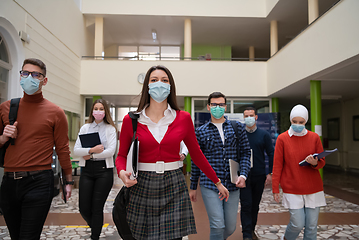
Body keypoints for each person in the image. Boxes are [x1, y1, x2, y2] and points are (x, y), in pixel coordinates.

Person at [116, 65, 229, 240]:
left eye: (164, 80)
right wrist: (122, 172)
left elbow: (197, 154)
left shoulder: (182, 118)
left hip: (173, 183)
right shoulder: (131, 120)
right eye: (154, 80)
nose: (159, 84)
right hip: (142, 185)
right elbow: (122, 155)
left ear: (170, 86)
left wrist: (217, 182)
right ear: (147, 86)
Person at [0, 58, 73, 240]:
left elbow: (63, 148)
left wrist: (68, 180)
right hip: (9, 182)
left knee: (29, 237)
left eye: (35, 74)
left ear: (44, 80)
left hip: (38, 181)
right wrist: (3, 137)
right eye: (25, 73)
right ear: (20, 76)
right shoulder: (6, 108)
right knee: (15, 235)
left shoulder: (55, 112)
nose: (29, 78)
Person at [190, 92, 251, 240]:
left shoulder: (237, 128)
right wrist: (193, 187)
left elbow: (245, 153)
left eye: (221, 104)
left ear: (225, 106)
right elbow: (197, 161)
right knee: (217, 225)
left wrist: (243, 175)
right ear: (208, 107)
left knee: (230, 227)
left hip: (232, 184)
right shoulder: (201, 131)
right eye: (214, 104)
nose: (218, 107)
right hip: (209, 184)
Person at [272, 104, 326, 240]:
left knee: (312, 227)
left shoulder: (314, 138)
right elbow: (277, 165)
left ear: (306, 121)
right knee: (297, 223)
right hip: (291, 188)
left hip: (313, 188)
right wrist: (275, 188)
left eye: (301, 122)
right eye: (294, 121)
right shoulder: (282, 138)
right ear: (290, 120)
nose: (297, 124)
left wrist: (314, 162)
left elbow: (322, 161)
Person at [74, 99, 117, 240]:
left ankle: (95, 236)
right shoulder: (85, 128)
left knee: (97, 207)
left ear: (106, 112)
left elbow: (110, 151)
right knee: (84, 208)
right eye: (96, 108)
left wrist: (89, 153)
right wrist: (92, 150)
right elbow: (76, 150)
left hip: (104, 170)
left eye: (101, 109)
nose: (98, 111)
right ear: (92, 111)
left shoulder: (110, 129)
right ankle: (95, 226)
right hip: (87, 170)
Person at [240, 106, 274, 240]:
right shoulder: (240, 134)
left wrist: (270, 173)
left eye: (251, 115)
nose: (249, 118)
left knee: (255, 205)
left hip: (259, 175)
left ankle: (252, 229)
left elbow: (271, 153)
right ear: (243, 118)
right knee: (246, 205)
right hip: (244, 175)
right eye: (246, 116)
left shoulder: (264, 135)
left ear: (256, 117)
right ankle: (246, 235)